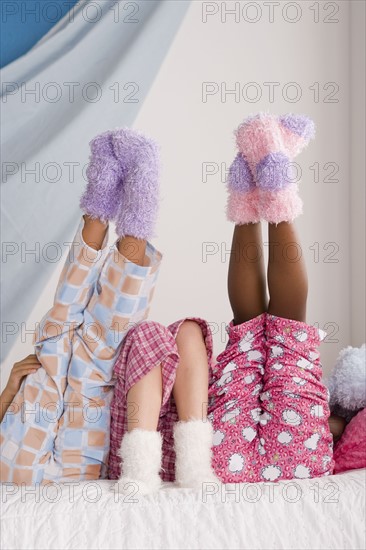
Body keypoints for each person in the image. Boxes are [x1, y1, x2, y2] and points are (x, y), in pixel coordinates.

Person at [108, 112, 339, 493]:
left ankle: (261, 172)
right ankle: (260, 167)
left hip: (261, 463)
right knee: (257, 330)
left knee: (280, 333)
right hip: (238, 461)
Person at [0, 128, 163, 484]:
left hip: (15, 461)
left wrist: (9, 391)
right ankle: (140, 199)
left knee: (63, 316)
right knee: (105, 343)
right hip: (78, 471)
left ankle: (101, 195)